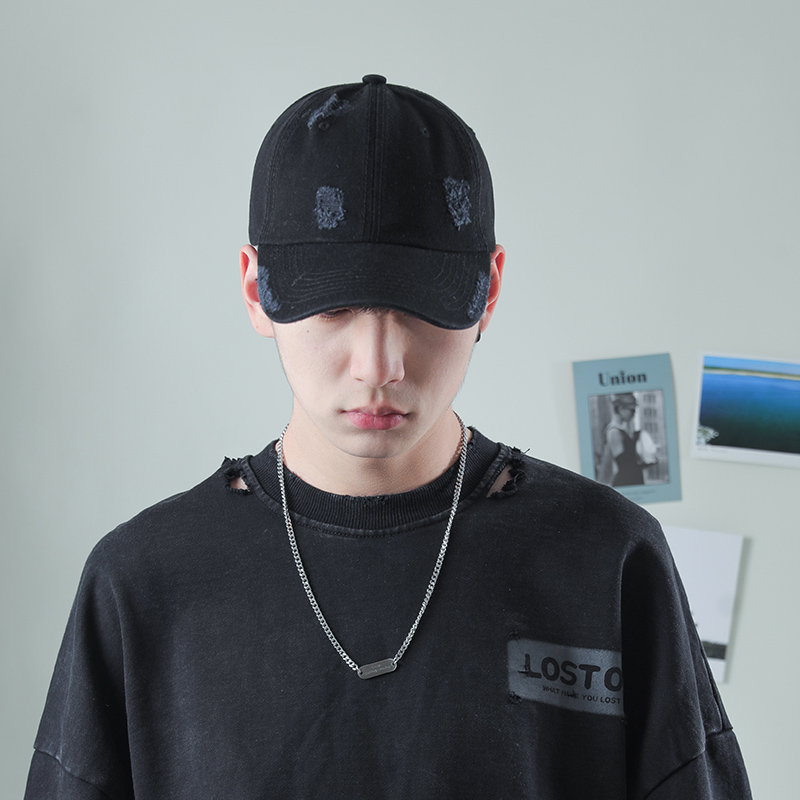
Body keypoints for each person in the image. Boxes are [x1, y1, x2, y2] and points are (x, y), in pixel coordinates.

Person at [25, 75, 751, 799]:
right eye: (333, 308)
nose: (379, 366)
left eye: (421, 307)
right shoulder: (142, 585)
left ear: (489, 291)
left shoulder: (609, 560)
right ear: (255, 290)